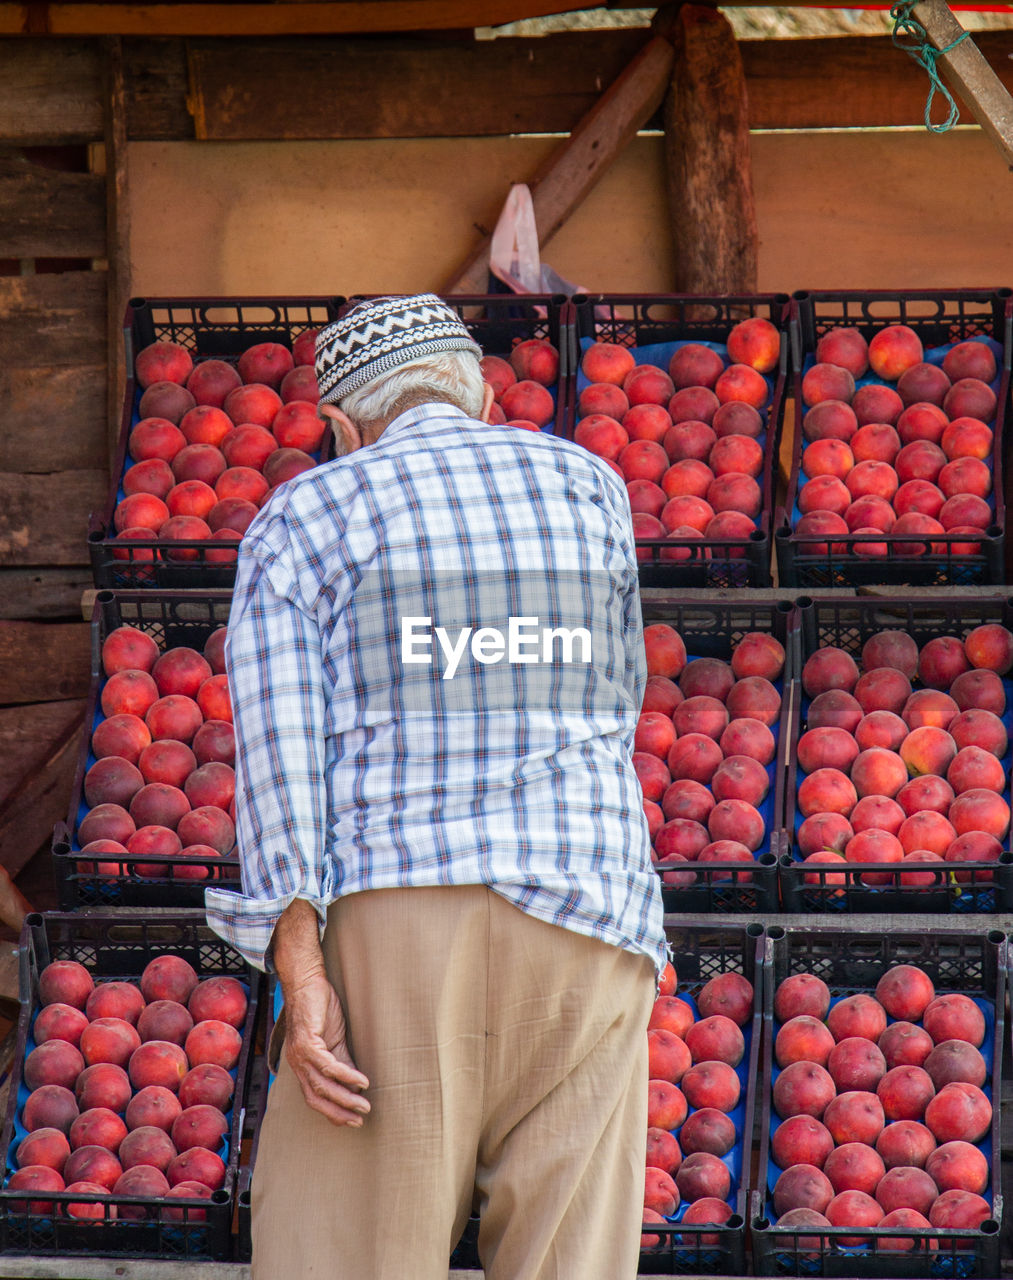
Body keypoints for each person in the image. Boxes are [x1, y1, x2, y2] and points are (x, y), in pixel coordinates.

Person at [205, 293, 667, 1280]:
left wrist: (301, 962)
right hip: (593, 911)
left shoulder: (309, 510)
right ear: (484, 396)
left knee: (346, 1255)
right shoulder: (589, 486)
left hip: (403, 919)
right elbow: (611, 700)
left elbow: (281, 757)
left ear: (341, 427)